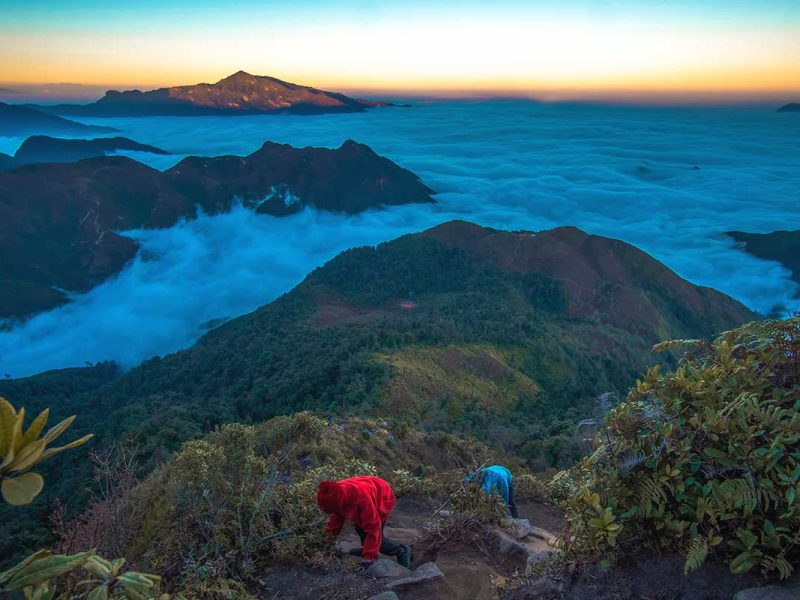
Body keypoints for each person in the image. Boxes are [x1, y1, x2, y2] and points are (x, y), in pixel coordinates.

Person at [316, 476, 412, 568]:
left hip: (382, 496)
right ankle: (367, 549)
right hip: (368, 489)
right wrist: (326, 543)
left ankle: (402, 551)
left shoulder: (361, 499)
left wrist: (369, 557)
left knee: (379, 541)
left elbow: (374, 527)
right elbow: (336, 519)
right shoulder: (336, 493)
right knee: (360, 528)